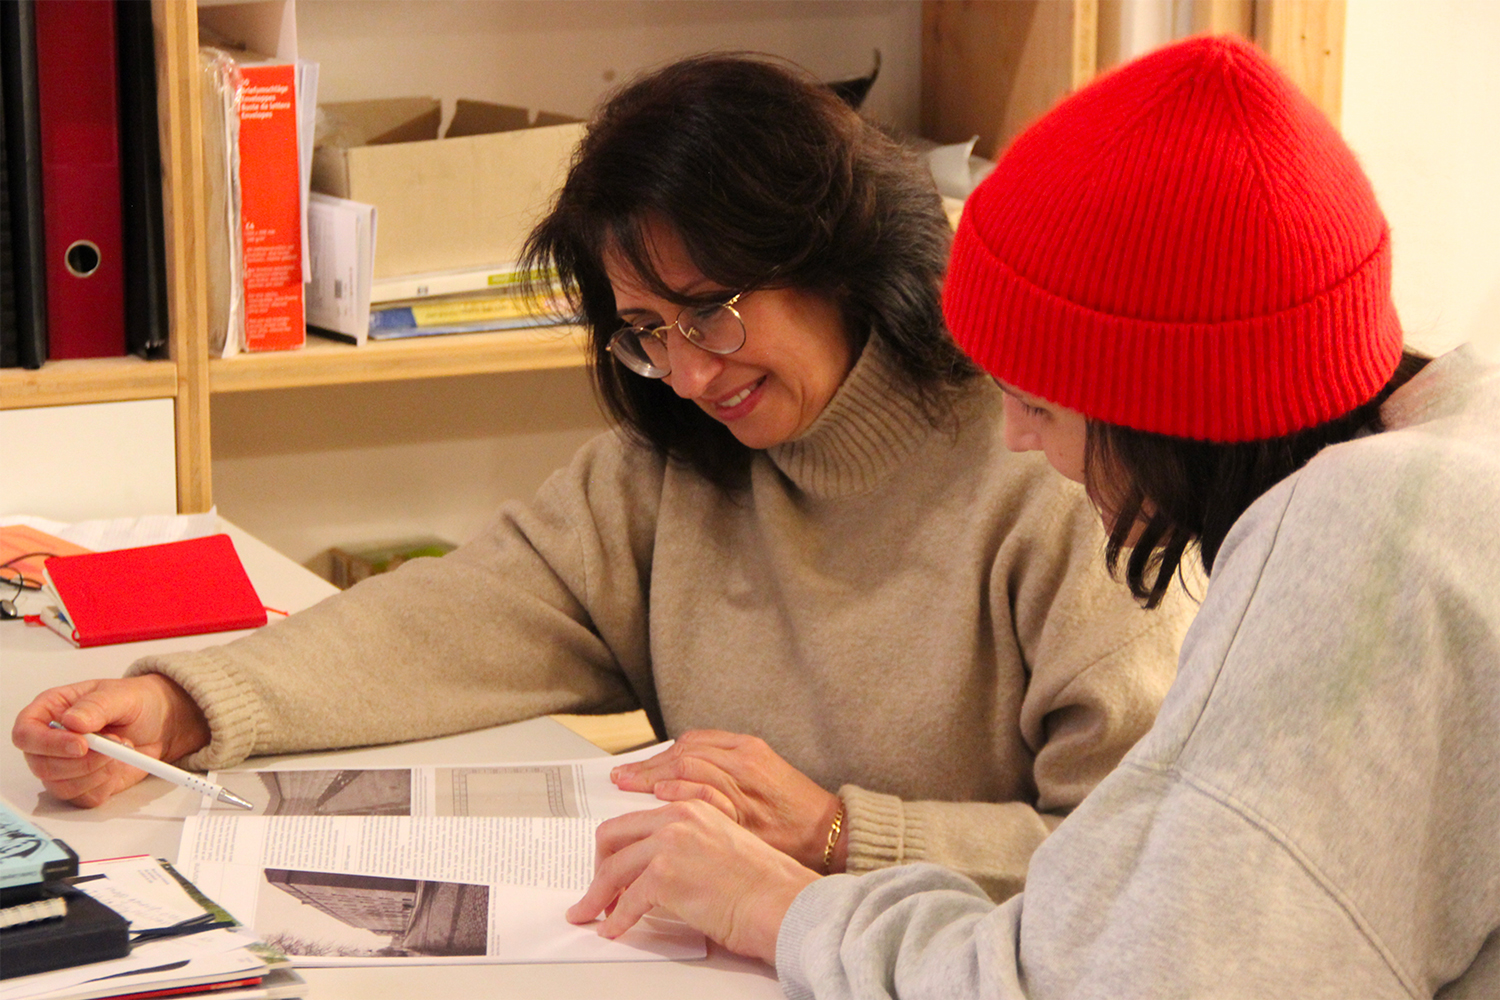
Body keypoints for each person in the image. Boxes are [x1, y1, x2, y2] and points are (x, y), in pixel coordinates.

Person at [12, 55, 1195, 900]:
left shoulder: (1056, 475)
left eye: (710, 312)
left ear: (835, 257)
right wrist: (185, 707)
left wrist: (842, 834)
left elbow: (1151, 860)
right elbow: (455, 619)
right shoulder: (671, 467)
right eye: (644, 332)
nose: (687, 373)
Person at [560, 35, 1500, 998]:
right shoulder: (1453, 452)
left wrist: (778, 907)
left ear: (1171, 400)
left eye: (1041, 404)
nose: (1015, 437)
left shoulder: (1355, 547)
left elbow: (1104, 974)